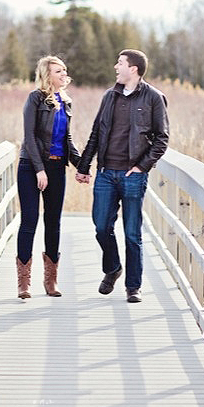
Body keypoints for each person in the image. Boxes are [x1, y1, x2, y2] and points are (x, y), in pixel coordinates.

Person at [75, 49, 170, 303]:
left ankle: (133, 287)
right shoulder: (110, 96)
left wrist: (142, 167)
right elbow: (96, 132)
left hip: (132, 175)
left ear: (134, 69)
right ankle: (113, 268)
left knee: (131, 233)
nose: (115, 67)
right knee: (101, 227)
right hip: (106, 173)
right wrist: (84, 167)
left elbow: (162, 139)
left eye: (120, 63)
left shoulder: (153, 98)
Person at [16, 55, 82, 299]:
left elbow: (67, 141)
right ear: (47, 75)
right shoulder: (35, 98)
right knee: (30, 221)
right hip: (30, 166)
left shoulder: (66, 102)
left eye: (65, 70)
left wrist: (82, 165)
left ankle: (51, 281)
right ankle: (24, 283)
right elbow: (29, 137)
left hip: (56, 168)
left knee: (53, 223)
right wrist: (38, 169)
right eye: (58, 71)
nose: (64, 74)